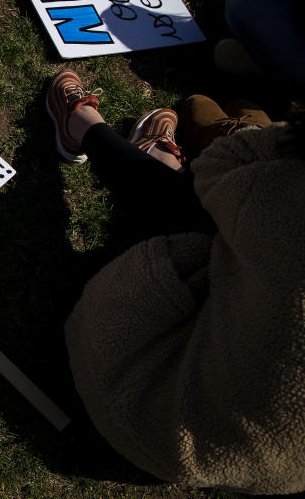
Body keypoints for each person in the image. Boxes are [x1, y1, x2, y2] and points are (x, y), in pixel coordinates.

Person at [46, 69, 305, 494]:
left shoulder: (289, 195)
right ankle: (153, 156)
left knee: (205, 217)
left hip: (136, 398)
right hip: (227, 471)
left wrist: (274, 140)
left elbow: (215, 171)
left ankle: (84, 127)